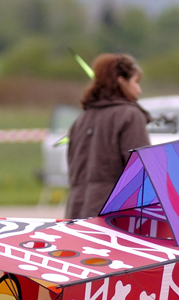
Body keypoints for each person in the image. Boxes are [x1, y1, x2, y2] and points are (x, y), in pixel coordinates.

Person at [65, 53, 150, 219]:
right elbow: (141, 170)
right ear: (121, 80)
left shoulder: (81, 118)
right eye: (135, 82)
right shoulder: (130, 115)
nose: (139, 90)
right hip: (114, 214)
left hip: (77, 211)